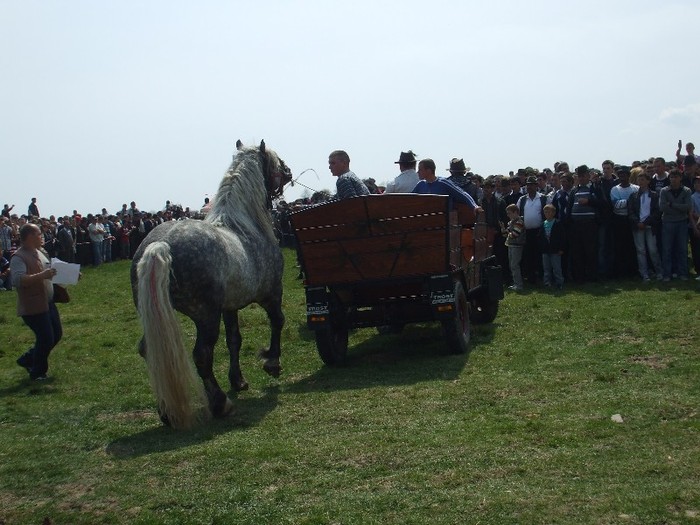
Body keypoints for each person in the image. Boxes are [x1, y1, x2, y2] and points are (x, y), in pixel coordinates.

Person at [10, 223, 62, 380]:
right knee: (46, 338)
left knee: (56, 335)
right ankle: (38, 372)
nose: (42, 236)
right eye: (39, 234)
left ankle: (28, 359)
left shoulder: (40, 253)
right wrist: (42, 276)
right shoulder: (18, 257)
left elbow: (50, 272)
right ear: (30, 236)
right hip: (33, 305)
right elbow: (18, 280)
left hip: (48, 301)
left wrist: (70, 275)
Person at [566, 165, 602, 283]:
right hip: (576, 225)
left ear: (588, 176)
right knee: (577, 252)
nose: (581, 178)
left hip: (590, 224)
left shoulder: (594, 188)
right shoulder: (574, 190)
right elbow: (569, 207)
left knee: (590, 251)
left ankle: (592, 277)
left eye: (583, 176)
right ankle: (579, 278)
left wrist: (589, 201)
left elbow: (602, 203)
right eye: (579, 176)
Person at [627, 172, 663, 281]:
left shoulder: (654, 195)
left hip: (650, 226)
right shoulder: (633, 196)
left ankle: (659, 272)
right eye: (639, 180)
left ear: (648, 181)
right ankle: (644, 274)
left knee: (653, 250)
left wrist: (646, 222)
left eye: (643, 180)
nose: (640, 182)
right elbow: (631, 211)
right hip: (638, 226)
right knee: (640, 251)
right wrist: (637, 222)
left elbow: (657, 211)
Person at [659, 169, 692, 281]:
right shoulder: (664, 191)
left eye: (676, 177)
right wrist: (679, 207)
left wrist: (672, 204)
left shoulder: (686, 191)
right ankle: (667, 274)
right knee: (667, 249)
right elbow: (662, 207)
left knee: (682, 249)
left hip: (682, 222)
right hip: (668, 222)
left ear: (680, 178)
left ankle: (683, 273)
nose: (673, 179)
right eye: (671, 177)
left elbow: (687, 207)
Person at [412, 158, 479, 210]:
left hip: (442, 222)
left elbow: (462, 194)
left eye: (420, 169)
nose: (418, 172)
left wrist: (474, 206)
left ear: (429, 170)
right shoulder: (420, 185)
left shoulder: (443, 183)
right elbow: (408, 199)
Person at [609, 165, 639, 278]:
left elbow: (637, 205)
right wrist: (630, 201)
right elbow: (616, 205)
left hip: (632, 220)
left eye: (624, 174)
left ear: (629, 175)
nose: (622, 176)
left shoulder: (636, 188)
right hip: (619, 220)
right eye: (620, 174)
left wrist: (625, 202)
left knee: (632, 246)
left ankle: (633, 271)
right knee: (619, 247)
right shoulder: (615, 189)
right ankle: (620, 273)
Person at [538, 204, 566, 290]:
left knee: (556, 267)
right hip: (546, 250)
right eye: (545, 212)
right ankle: (547, 282)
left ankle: (559, 283)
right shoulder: (543, 224)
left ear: (554, 213)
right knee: (546, 268)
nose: (547, 213)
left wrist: (561, 249)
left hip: (555, 250)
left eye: (549, 212)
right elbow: (540, 237)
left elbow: (562, 237)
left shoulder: (557, 223)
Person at [502, 203, 525, 291]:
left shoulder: (519, 222)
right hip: (510, 245)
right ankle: (515, 283)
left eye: (509, 213)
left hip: (517, 246)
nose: (508, 215)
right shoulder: (511, 222)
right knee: (511, 265)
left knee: (515, 265)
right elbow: (505, 234)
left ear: (515, 212)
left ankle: (519, 285)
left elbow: (514, 234)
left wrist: (508, 232)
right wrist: (503, 229)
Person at [690, 175, 700, 280]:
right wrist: (695, 228)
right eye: (696, 183)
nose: (698, 185)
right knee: (697, 250)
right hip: (696, 226)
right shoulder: (692, 197)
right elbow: (691, 213)